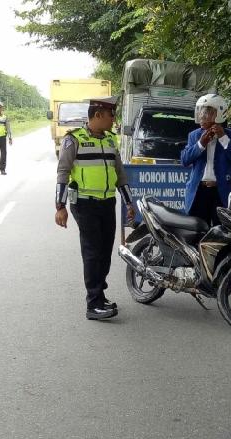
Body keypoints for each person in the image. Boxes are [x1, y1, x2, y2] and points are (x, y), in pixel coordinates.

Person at [54, 96, 135, 321]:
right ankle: (93, 304)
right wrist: (60, 206)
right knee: (92, 252)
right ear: (97, 115)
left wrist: (129, 203)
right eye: (111, 115)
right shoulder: (74, 139)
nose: (113, 120)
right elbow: (63, 172)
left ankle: (100, 294)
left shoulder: (110, 139)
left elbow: (120, 174)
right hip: (84, 204)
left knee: (105, 252)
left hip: (107, 202)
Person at [181, 94, 231, 226]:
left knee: (221, 232)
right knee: (197, 230)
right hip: (199, 192)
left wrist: (223, 138)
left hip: (221, 192)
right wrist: (200, 144)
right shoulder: (194, 135)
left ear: (219, 114)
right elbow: (184, 160)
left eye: (208, 112)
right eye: (201, 112)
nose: (202, 116)